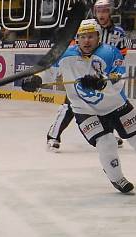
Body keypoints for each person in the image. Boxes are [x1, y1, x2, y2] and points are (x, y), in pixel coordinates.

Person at [22, 19, 135, 193]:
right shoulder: (66, 55)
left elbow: (118, 79)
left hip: (116, 105)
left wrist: (102, 83)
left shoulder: (111, 53)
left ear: (98, 37)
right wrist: (36, 79)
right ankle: (117, 178)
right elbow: (48, 71)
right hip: (85, 110)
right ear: (77, 38)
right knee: (106, 142)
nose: (87, 41)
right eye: (82, 37)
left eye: (91, 36)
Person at [45, 0, 127, 152]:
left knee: (109, 103)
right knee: (70, 104)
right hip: (82, 68)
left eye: (105, 11)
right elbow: (73, 47)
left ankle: (109, 133)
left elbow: (121, 55)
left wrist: (114, 73)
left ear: (110, 12)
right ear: (95, 12)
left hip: (103, 71)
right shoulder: (86, 26)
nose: (102, 14)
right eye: (99, 11)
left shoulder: (118, 33)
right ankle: (53, 135)